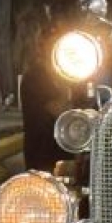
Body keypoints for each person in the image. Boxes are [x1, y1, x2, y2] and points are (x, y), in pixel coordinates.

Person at [20, 27, 73, 173]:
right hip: (41, 149)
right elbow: (58, 109)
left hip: (61, 149)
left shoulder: (61, 73)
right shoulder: (36, 76)